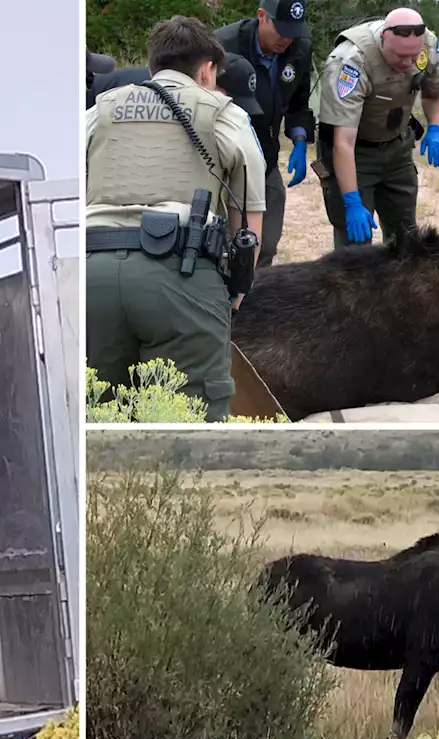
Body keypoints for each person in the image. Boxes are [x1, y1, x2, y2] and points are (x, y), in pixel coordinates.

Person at [86, 16, 267, 422]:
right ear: (207, 69)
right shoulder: (224, 113)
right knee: (187, 424)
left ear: (154, 66)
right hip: (180, 273)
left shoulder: (101, 110)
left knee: (97, 419)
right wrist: (236, 291)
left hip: (92, 272)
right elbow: (247, 220)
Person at [315, 7, 439, 249]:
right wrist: (352, 203)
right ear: (383, 39)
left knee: (406, 239)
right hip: (355, 152)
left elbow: (434, 91)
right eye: (400, 56)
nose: (408, 63)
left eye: (413, 56)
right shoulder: (352, 61)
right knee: (355, 249)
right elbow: (343, 142)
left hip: (397, 148)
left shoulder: (428, 46)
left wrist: (436, 129)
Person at [214, 0, 313, 266]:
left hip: (265, 158)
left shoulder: (300, 49)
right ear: (261, 16)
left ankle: (255, 299)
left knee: (264, 245)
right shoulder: (223, 45)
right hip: (224, 159)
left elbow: (298, 102)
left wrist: (300, 139)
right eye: (282, 30)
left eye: (294, 31)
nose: (287, 39)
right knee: (220, 244)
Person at [89, 51, 268, 121]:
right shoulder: (168, 97)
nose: (231, 109)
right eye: (231, 101)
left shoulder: (187, 96)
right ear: (208, 79)